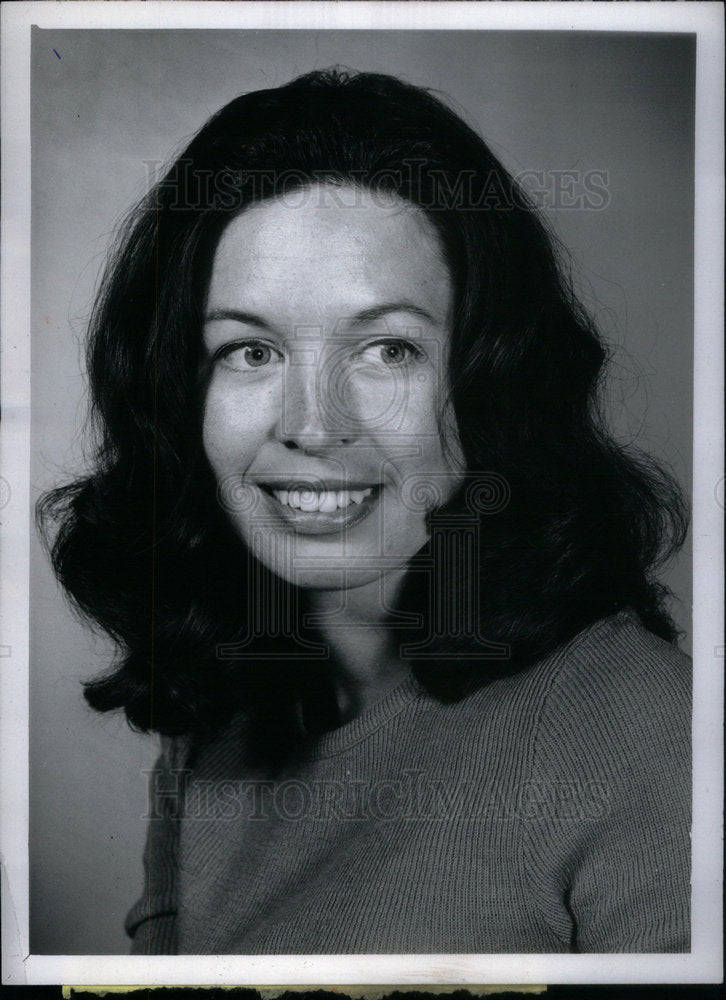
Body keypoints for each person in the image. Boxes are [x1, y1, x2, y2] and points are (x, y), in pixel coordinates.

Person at [38, 68, 691, 954]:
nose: (313, 425)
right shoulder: (216, 724)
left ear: (492, 379)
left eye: (388, 349)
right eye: (251, 350)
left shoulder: (654, 737)